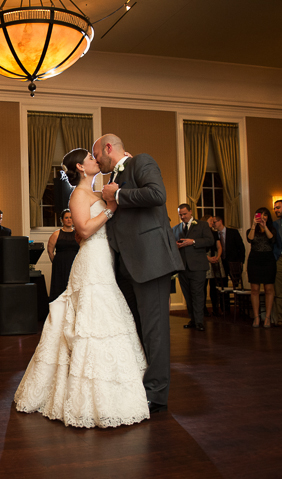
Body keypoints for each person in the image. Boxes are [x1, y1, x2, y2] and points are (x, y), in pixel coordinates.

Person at [14, 148, 149, 428]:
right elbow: (84, 231)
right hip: (91, 261)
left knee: (108, 317)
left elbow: (115, 193)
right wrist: (110, 211)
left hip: (105, 260)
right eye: (90, 157)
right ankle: (84, 393)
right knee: (89, 320)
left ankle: (114, 386)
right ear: (81, 166)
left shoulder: (96, 192)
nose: (95, 160)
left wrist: (126, 163)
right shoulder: (77, 195)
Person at [94, 134, 183, 413]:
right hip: (125, 267)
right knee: (135, 330)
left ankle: (156, 395)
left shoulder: (141, 162)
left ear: (109, 148)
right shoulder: (110, 180)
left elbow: (157, 195)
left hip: (150, 261)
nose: (96, 161)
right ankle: (137, 384)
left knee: (155, 331)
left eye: (97, 155)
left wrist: (117, 195)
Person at [172, 205, 214, 331]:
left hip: (198, 266)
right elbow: (171, 245)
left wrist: (193, 242)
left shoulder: (202, 225)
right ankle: (193, 319)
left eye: (184, 214)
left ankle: (199, 321)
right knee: (187, 294)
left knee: (198, 294)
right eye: (180, 214)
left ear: (190, 212)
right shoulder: (176, 228)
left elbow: (210, 241)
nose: (182, 217)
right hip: (183, 267)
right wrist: (176, 246)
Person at [246, 207, 277, 327]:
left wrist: (265, 227)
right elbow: (250, 239)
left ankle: (268, 317)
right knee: (254, 289)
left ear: (268, 217)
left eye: (265, 215)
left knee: (269, 289)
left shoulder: (272, 229)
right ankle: (256, 317)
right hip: (254, 259)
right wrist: (254, 225)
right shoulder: (251, 229)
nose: (263, 217)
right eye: (260, 215)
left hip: (268, 260)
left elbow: (271, 239)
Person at [211, 215, 246, 306]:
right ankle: (225, 307)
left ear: (220, 221)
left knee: (236, 285)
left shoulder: (233, 232)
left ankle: (238, 306)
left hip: (233, 262)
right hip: (220, 263)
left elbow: (241, 247)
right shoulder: (214, 235)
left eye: (214, 222)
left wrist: (241, 261)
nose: (213, 224)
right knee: (222, 285)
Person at [47, 209, 79, 301]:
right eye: (66, 218)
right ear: (62, 220)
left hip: (74, 264)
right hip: (60, 265)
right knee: (59, 287)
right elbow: (50, 251)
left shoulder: (78, 234)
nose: (69, 220)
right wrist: (56, 263)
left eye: (71, 217)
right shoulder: (56, 234)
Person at [200, 214, 223, 317]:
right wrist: (208, 258)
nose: (212, 223)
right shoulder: (200, 233)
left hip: (215, 259)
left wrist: (217, 257)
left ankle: (215, 308)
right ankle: (203, 309)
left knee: (215, 287)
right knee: (203, 287)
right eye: (210, 221)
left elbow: (219, 246)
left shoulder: (214, 233)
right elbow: (199, 249)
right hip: (205, 259)